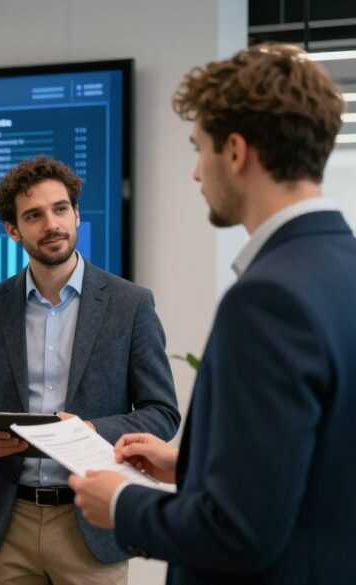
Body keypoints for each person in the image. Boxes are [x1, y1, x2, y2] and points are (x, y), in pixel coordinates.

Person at [70, 43, 356, 585]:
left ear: (237, 152)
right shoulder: (342, 267)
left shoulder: (269, 300)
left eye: (199, 149)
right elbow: (326, 466)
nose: (197, 173)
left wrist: (123, 504)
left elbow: (240, 531)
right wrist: (195, 467)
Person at [0, 155, 180, 585]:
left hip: (90, 519)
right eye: (33, 215)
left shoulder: (130, 305)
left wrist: (91, 430)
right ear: (13, 230)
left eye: (60, 209)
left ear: (76, 213)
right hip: (6, 521)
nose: (51, 224)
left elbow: (162, 412)